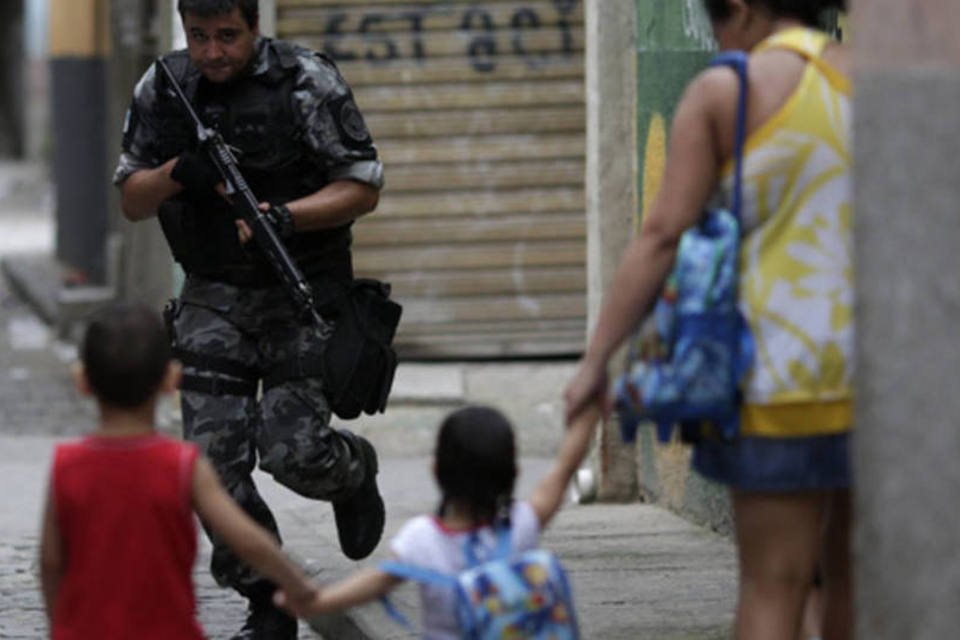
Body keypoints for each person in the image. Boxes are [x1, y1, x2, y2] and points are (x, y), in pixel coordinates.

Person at [563, 1, 852, 639]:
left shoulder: (732, 89)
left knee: (774, 585)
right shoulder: (879, 81)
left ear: (742, 10)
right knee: (850, 586)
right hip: (879, 379)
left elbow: (663, 234)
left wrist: (595, 363)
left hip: (775, 379)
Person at [112, 1, 385, 637]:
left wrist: (285, 216)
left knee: (292, 452)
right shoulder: (165, 87)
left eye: (228, 37)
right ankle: (267, 601)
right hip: (214, 297)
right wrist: (179, 173)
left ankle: (352, 471)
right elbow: (131, 199)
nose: (213, 53)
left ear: (255, 27)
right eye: (200, 36)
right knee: (209, 466)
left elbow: (363, 185)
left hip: (302, 295)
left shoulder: (306, 81)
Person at [38, 303, 318, 640]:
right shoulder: (183, 466)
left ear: (82, 381)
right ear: (171, 380)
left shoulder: (66, 466)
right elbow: (245, 539)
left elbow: (51, 561)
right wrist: (297, 585)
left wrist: (60, 625)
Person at [273, 404, 600, 638]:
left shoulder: (423, 539)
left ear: (435, 472)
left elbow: (374, 584)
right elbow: (562, 471)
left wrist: (314, 601)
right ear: (513, 474)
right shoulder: (520, 526)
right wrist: (590, 409)